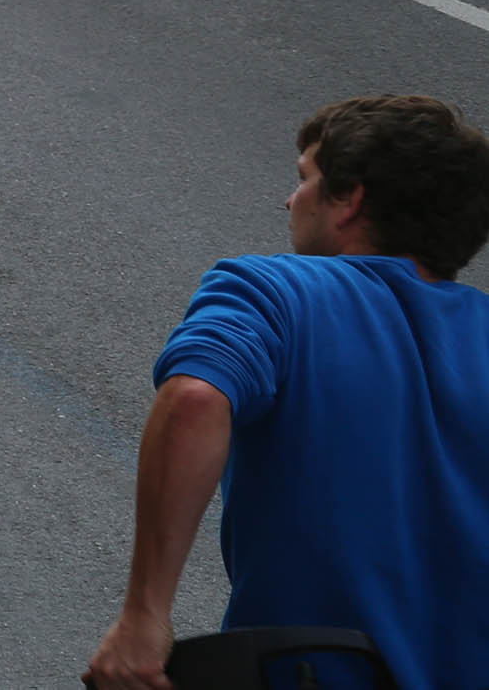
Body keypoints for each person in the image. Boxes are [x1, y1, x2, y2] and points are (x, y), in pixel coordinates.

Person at [85, 94, 489, 690]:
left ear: (349, 201)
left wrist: (144, 616)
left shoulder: (271, 291)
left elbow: (194, 398)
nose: (290, 199)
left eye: (306, 180)